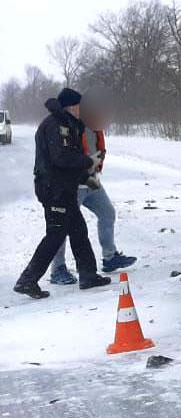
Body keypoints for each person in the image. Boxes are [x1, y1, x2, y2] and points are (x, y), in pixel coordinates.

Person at [13, 88, 111, 299]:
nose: (81, 110)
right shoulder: (56, 125)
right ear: (71, 106)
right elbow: (61, 158)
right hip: (54, 190)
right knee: (56, 234)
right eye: (79, 106)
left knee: (78, 230)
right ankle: (27, 280)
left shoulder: (68, 124)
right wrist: (88, 161)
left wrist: (86, 178)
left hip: (64, 188)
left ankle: (88, 275)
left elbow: (67, 162)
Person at [48, 93, 136, 284]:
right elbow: (64, 155)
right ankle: (58, 269)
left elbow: (97, 148)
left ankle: (110, 257)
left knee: (107, 213)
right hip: (73, 184)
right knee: (63, 225)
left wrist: (96, 162)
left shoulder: (94, 125)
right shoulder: (69, 125)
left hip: (91, 180)